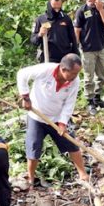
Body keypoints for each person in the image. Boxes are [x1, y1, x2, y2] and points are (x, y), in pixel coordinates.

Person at [16, 54, 89, 187]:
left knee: (72, 144)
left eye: (77, 74)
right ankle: (31, 177)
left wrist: (62, 122)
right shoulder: (45, 70)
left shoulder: (75, 81)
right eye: (73, 73)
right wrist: (25, 98)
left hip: (57, 118)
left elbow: (69, 103)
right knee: (33, 147)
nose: (75, 77)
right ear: (63, 69)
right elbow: (22, 74)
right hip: (37, 116)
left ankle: (83, 174)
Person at [74, 0, 104, 111]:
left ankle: (97, 97)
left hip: (101, 47)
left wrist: (101, 10)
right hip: (87, 49)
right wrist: (76, 46)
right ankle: (89, 100)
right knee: (88, 77)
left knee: (101, 76)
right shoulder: (82, 10)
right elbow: (77, 30)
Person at [30, 0, 78, 64]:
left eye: (59, 7)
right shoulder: (40, 19)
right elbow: (33, 41)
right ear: (49, 5)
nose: (56, 10)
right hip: (48, 57)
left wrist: (75, 55)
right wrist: (40, 34)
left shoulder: (66, 18)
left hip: (65, 57)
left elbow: (73, 38)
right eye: (54, 7)